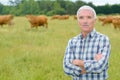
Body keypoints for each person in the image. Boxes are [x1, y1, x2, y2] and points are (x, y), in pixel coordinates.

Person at [63, 5, 111, 80]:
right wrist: (91, 65)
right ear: (78, 21)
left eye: (89, 17)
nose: (85, 21)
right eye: (81, 18)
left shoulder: (103, 40)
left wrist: (78, 63)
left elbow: (100, 66)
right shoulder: (72, 42)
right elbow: (66, 67)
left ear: (94, 21)